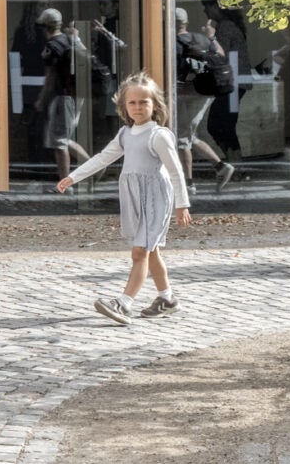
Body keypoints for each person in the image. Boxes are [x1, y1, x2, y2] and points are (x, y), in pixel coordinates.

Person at [55, 72, 192, 324]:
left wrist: (182, 204)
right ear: (124, 106)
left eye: (144, 102)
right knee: (151, 252)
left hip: (154, 200)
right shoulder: (125, 134)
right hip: (133, 198)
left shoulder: (158, 135)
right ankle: (167, 299)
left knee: (140, 251)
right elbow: (101, 158)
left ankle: (124, 303)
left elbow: (175, 171)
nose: (138, 107)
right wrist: (73, 177)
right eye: (132, 103)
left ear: (155, 105)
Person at [174, 10, 236, 186]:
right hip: (204, 93)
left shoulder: (169, 42)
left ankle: (188, 184)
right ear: (186, 22)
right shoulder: (200, 38)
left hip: (184, 93)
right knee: (189, 135)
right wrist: (211, 36)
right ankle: (221, 166)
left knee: (182, 139)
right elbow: (221, 56)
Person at [35, 9, 91, 183]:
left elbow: (50, 77)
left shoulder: (53, 46)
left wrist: (41, 100)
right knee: (63, 139)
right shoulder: (69, 40)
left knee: (59, 143)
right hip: (75, 95)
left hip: (62, 97)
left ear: (45, 26)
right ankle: (95, 167)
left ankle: (66, 183)